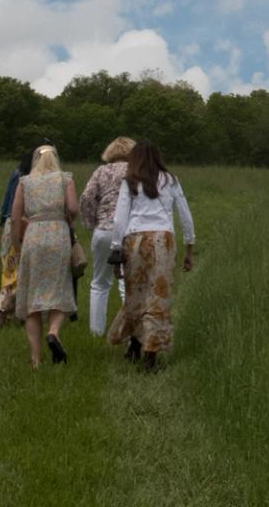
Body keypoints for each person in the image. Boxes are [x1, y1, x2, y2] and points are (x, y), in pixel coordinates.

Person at [107, 141, 195, 371]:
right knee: (158, 296)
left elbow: (119, 218)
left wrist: (116, 249)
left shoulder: (130, 182)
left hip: (134, 240)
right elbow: (185, 213)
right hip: (163, 241)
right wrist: (189, 246)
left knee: (135, 295)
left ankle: (134, 343)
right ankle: (150, 353)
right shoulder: (171, 180)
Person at [9, 144, 80, 367]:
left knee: (32, 298)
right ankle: (54, 331)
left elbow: (14, 217)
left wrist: (16, 246)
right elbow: (73, 207)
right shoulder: (65, 178)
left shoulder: (25, 182)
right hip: (58, 235)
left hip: (34, 237)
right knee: (58, 288)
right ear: (56, 159)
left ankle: (36, 360)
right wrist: (67, 217)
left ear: (35, 160)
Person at [78, 137, 135, 335]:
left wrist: (91, 222)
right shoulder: (135, 172)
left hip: (103, 231)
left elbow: (86, 197)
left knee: (99, 283)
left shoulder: (101, 171)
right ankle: (129, 331)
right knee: (127, 283)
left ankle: (96, 332)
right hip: (129, 231)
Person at [0, 148, 33, 329]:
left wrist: (3, 222)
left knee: (8, 271)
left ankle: (2, 310)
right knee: (23, 271)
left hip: (10, 225)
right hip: (26, 226)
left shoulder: (16, 173)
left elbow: (6, 201)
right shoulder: (33, 179)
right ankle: (18, 312)